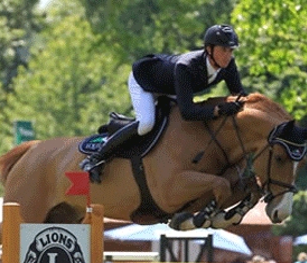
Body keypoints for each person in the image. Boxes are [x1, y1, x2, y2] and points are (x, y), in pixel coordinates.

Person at [81, 24, 246, 183]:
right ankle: (95, 159)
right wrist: (218, 110)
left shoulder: (228, 66)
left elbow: (240, 96)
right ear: (209, 49)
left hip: (170, 87)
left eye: (231, 50)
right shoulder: (187, 66)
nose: (228, 55)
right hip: (145, 81)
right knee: (146, 123)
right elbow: (187, 112)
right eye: (224, 49)